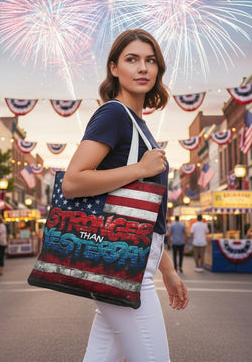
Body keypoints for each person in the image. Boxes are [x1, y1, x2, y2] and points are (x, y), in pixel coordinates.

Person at [62, 29, 189, 362]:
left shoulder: (139, 124)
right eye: (132, 60)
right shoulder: (114, 114)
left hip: (136, 258)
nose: (142, 68)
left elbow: (142, 212)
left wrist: (167, 270)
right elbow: (73, 182)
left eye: (150, 61)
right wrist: (139, 169)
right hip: (120, 262)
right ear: (114, 68)